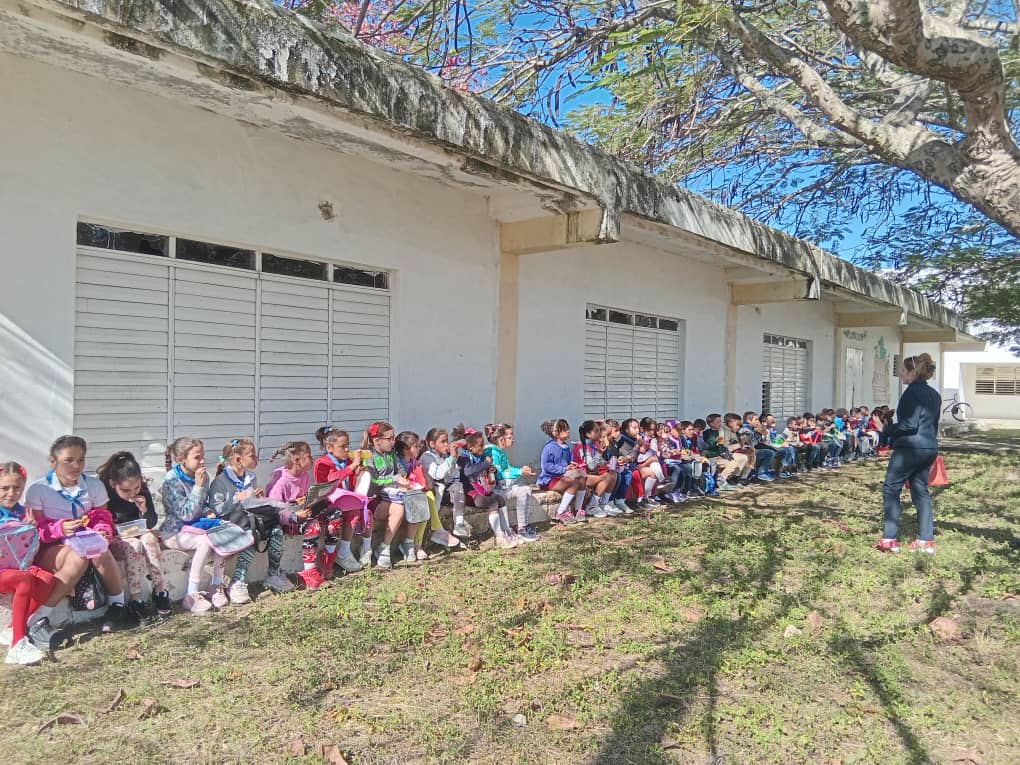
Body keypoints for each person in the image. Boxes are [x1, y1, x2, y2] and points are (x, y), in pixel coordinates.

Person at [24, 435, 130, 644]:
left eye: (80, 460)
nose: (76, 466)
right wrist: (59, 528)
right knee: (80, 557)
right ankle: (39, 618)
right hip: (51, 547)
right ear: (53, 461)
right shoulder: (39, 489)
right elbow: (34, 530)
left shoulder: (93, 485)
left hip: (84, 542)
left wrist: (101, 530)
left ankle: (118, 606)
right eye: (68, 460)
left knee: (99, 548)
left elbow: (102, 517)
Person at [208, 439, 294, 603]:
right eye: (252, 455)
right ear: (238, 459)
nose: (256, 458)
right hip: (229, 524)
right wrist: (235, 499)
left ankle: (273, 574)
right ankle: (238, 581)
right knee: (251, 535)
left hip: (248, 520)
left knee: (275, 530)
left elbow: (249, 504)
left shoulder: (251, 477)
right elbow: (217, 510)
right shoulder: (220, 481)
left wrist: (256, 497)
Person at [877, 353, 942, 554]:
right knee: (920, 490)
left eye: (903, 372)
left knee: (891, 488)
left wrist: (885, 428)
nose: (901, 376)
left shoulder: (911, 393)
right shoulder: (934, 394)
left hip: (910, 449)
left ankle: (889, 539)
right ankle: (925, 540)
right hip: (929, 447)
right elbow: (931, 424)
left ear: (913, 372)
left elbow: (909, 424)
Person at [97, 451, 171, 620]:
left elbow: (151, 522)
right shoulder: (105, 496)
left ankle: (160, 590)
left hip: (138, 535)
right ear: (112, 483)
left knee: (150, 538)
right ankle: (135, 598)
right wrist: (116, 530)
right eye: (125, 490)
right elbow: (102, 523)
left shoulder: (142, 492)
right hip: (117, 540)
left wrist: (144, 510)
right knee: (134, 545)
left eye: (136, 487)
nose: (132, 493)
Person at [160, 437, 226, 615]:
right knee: (205, 541)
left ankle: (216, 585)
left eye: (202, 456)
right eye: (197, 457)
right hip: (175, 532)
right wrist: (197, 486)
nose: (202, 461)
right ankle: (191, 594)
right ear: (182, 459)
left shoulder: (203, 476)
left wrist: (209, 512)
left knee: (223, 533)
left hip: (197, 527)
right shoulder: (171, 481)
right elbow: (185, 514)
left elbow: (202, 505)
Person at [0, 461, 55, 665]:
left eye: (17, 488)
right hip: (5, 572)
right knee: (23, 579)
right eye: (4, 488)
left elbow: (31, 546)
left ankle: (13, 627)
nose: (11, 493)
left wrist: (31, 527)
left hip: (17, 567)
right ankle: (17, 644)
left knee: (48, 579)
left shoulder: (23, 512)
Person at [358, 421, 417, 569]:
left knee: (413, 501)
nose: (393, 442)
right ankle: (384, 549)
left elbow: (401, 471)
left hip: (392, 496)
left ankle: (390, 545)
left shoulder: (391, 454)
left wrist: (403, 478)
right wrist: (394, 479)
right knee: (398, 509)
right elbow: (374, 480)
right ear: (377, 441)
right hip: (374, 500)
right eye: (390, 438)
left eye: (394, 438)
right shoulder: (368, 456)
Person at [267, 441, 325, 588]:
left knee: (331, 511)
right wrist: (295, 516)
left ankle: (328, 559)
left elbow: (302, 499)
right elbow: (275, 513)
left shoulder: (304, 476)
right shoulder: (280, 483)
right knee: (313, 526)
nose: (312, 459)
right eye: (309, 456)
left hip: (300, 515)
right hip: (286, 521)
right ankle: (309, 570)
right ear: (297, 460)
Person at [312, 427, 368, 576]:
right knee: (335, 520)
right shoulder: (321, 462)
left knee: (360, 511)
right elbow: (332, 480)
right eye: (343, 446)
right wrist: (352, 466)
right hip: (327, 504)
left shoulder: (346, 461)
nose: (347, 449)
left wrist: (358, 471)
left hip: (345, 502)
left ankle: (344, 551)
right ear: (329, 448)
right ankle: (328, 557)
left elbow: (349, 480)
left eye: (348, 445)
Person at [484, 423, 543, 540]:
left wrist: (521, 470)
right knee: (523, 490)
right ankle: (520, 529)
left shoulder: (500, 452)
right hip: (495, 490)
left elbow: (508, 468)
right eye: (510, 437)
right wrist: (520, 472)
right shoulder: (492, 452)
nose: (513, 439)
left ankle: (523, 527)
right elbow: (500, 474)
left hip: (503, 487)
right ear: (501, 439)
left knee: (525, 489)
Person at [458, 431, 517, 548]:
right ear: (470, 447)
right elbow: (468, 471)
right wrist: (485, 464)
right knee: (492, 503)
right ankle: (499, 537)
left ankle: (507, 531)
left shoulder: (480, 456)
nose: (483, 447)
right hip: (470, 493)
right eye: (480, 445)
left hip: (482, 489)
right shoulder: (463, 457)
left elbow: (483, 469)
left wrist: (490, 469)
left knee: (500, 500)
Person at [420, 428, 471, 542]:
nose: (446, 444)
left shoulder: (443, 457)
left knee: (458, 485)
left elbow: (453, 475)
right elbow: (437, 475)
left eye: (446, 441)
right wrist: (450, 459)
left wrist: (453, 459)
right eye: (443, 442)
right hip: (434, 493)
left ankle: (459, 523)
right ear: (432, 444)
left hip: (444, 491)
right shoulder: (427, 457)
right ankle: (436, 532)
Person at [537, 419, 587, 525]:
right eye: (565, 429)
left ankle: (578, 510)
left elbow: (568, 462)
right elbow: (546, 466)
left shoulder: (566, 447)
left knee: (582, 478)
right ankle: (560, 512)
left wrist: (572, 465)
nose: (568, 431)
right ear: (556, 433)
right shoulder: (549, 447)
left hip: (562, 477)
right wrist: (564, 469)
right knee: (574, 482)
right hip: (549, 480)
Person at [572, 420, 620, 517]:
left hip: (592, 473)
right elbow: (591, 466)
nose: (599, 434)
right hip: (581, 475)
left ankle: (603, 504)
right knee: (606, 477)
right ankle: (591, 506)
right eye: (597, 431)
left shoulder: (594, 444)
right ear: (588, 434)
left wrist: (609, 462)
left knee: (613, 474)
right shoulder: (582, 447)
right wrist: (599, 452)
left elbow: (600, 462)